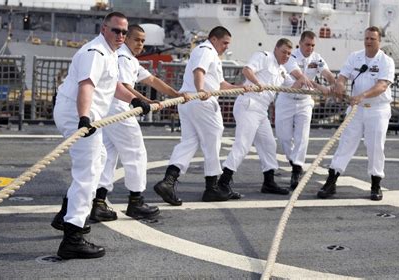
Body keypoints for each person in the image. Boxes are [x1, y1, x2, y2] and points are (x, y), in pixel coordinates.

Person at [52, 12, 148, 260]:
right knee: (88, 172)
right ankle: (72, 237)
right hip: (78, 115)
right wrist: (84, 118)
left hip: (86, 115)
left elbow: (115, 86)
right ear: (104, 29)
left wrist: (136, 99)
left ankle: (66, 214)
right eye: (116, 30)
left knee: (101, 158)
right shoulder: (95, 52)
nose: (121, 36)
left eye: (124, 32)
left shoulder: (111, 53)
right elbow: (87, 85)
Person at [93, 24, 191, 220]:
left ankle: (98, 202)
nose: (140, 44)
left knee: (109, 156)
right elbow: (125, 86)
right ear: (127, 38)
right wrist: (145, 101)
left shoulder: (129, 59)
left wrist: (176, 94)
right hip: (119, 109)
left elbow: (152, 80)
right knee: (136, 153)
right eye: (137, 40)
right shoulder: (123, 57)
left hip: (109, 111)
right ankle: (135, 202)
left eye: (143, 41)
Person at [153, 26, 252, 205]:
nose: (226, 47)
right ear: (214, 39)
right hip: (201, 101)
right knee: (213, 140)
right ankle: (212, 187)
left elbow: (220, 84)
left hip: (189, 102)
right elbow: (199, 71)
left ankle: (169, 181)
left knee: (189, 141)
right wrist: (201, 90)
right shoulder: (206, 50)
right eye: (224, 43)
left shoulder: (210, 54)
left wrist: (240, 88)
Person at [217, 38, 305, 197]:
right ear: (276, 49)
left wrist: (303, 80)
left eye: (289, 54)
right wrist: (257, 83)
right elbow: (247, 70)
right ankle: (223, 182)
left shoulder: (282, 71)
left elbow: (291, 88)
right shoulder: (264, 57)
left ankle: (269, 182)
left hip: (261, 111)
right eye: (284, 52)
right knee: (242, 145)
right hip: (249, 105)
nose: (286, 56)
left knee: (269, 144)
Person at [317, 26, 395, 201]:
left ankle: (376, 185)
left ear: (379, 41)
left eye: (372, 39)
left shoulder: (386, 61)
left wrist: (362, 96)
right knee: (345, 144)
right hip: (356, 109)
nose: (368, 42)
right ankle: (331, 181)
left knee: (375, 147)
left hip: (377, 110)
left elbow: (382, 86)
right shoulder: (355, 57)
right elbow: (343, 76)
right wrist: (340, 85)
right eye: (366, 38)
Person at [275, 30, 335, 190]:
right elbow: (301, 78)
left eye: (313, 45)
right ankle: (294, 162)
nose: (310, 48)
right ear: (300, 44)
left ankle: (296, 169)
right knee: (283, 137)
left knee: (302, 136)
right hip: (286, 99)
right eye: (307, 45)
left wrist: (334, 83)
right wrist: (320, 86)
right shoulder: (291, 57)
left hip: (304, 101)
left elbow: (326, 72)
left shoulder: (317, 58)